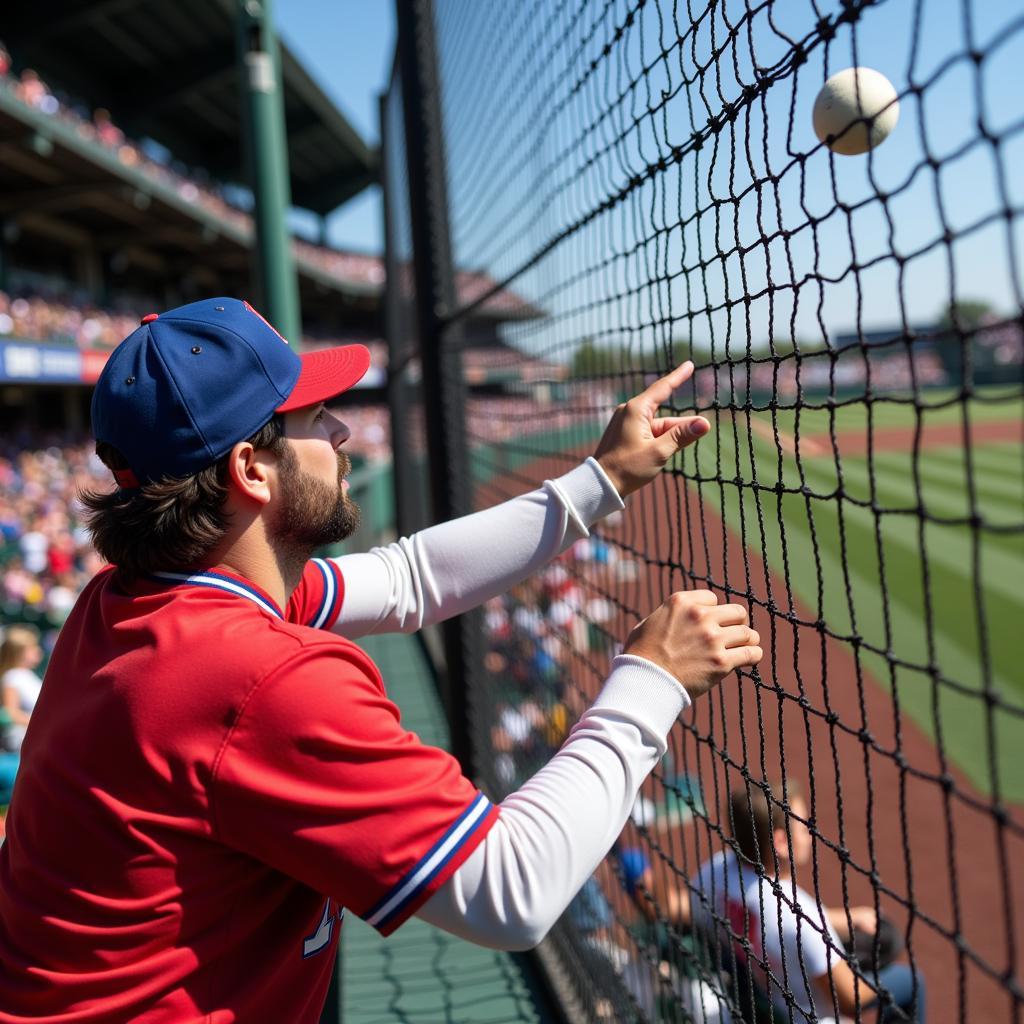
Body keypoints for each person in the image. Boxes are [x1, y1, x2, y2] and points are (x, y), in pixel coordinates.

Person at [0, 298, 762, 1023]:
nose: (341, 433)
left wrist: (602, 482)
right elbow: (512, 890)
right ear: (252, 470)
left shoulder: (135, 601)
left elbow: (410, 579)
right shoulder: (257, 678)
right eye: (312, 417)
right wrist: (650, 678)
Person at [690, 780, 925, 1022]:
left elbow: (693, 910)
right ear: (781, 842)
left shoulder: (716, 871)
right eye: (805, 826)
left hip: (750, 998)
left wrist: (851, 918)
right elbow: (849, 999)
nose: (810, 833)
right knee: (912, 983)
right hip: (798, 1017)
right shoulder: (800, 917)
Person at [0, 625, 43, 753]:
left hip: (38, 736)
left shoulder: (28, 674)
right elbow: (11, 712)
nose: (38, 650)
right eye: (32, 648)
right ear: (19, 652)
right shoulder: (12, 676)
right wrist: (41, 723)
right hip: (22, 741)